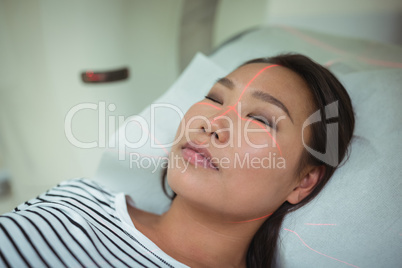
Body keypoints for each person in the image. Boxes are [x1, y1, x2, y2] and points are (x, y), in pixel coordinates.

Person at [0, 53, 354, 268]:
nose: (212, 123)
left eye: (260, 121)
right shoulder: (79, 195)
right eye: (214, 98)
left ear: (303, 181)